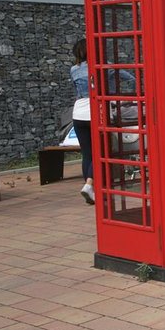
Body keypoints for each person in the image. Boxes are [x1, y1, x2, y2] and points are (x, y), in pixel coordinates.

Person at [70, 39, 94, 205]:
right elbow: (128, 76)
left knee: (87, 153)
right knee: (100, 152)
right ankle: (89, 185)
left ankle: (90, 191)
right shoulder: (101, 65)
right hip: (94, 111)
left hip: (77, 112)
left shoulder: (74, 69)